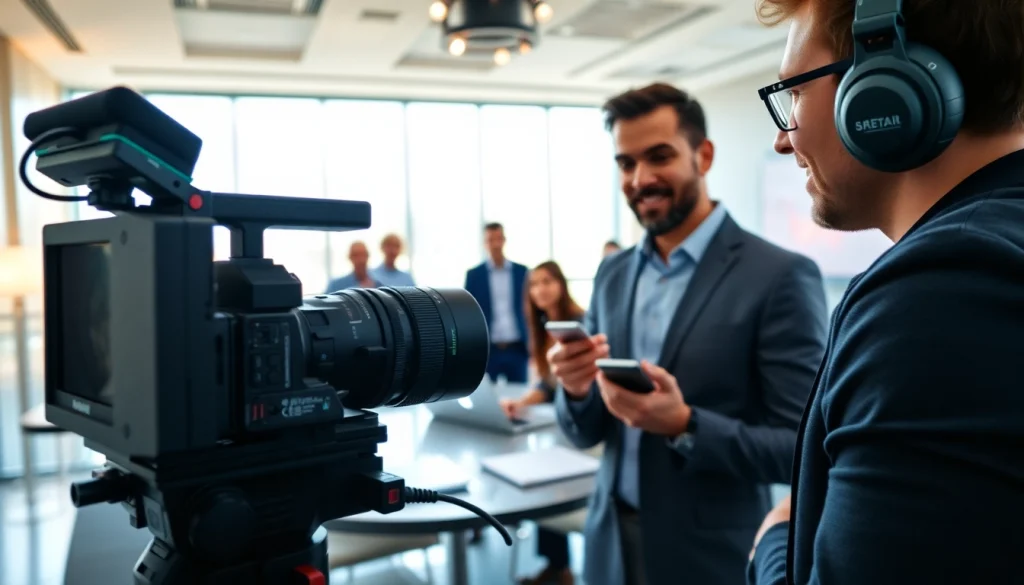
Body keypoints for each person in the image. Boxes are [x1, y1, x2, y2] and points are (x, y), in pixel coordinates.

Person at [746, 1, 1024, 584]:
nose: (782, 139)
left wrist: (775, 541)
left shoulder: (940, 294)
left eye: (793, 94)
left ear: (882, 86)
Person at [547, 83, 829, 585]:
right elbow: (583, 430)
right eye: (626, 163)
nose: (641, 178)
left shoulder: (779, 276)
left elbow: (800, 449)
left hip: (710, 556)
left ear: (704, 154)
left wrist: (684, 424)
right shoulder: (611, 275)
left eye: (659, 156)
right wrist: (574, 389)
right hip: (609, 543)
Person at [496, 261, 585, 585]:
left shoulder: (577, 323)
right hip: (558, 428)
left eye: (547, 282)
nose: (541, 289)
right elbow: (548, 384)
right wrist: (520, 403)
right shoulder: (545, 325)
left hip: (580, 432)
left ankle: (559, 569)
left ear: (561, 284)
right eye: (534, 284)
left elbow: (576, 383)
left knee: (543, 482)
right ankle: (556, 566)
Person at [464, 222, 530, 383]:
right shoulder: (474, 275)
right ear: (484, 243)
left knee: (519, 396)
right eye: (490, 240)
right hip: (488, 349)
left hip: (517, 346)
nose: (495, 244)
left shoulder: (522, 272)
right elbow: (468, 313)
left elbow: (530, 309)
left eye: (498, 238)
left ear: (504, 240)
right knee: (486, 396)